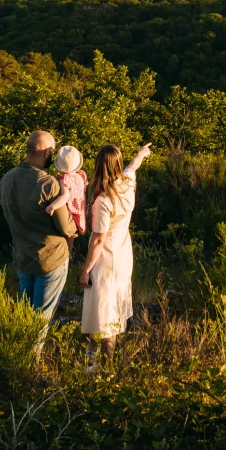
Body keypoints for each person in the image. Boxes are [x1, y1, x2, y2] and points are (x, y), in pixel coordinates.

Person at [0, 130, 78, 334]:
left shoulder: (6, 179)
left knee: (24, 317)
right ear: (47, 152)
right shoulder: (48, 183)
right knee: (40, 322)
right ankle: (30, 364)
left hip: (23, 257)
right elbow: (66, 227)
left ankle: (19, 358)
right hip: (50, 259)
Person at [79, 142, 152, 367]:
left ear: (98, 166)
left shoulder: (103, 201)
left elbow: (99, 240)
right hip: (123, 255)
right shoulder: (127, 184)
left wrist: (85, 271)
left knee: (102, 313)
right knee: (110, 309)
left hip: (105, 259)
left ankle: (99, 365)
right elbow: (134, 166)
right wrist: (142, 152)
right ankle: (99, 364)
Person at [46, 145, 88, 234]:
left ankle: (68, 247)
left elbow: (65, 196)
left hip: (72, 209)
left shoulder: (65, 179)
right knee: (74, 233)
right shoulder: (80, 176)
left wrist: (52, 207)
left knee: (70, 233)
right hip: (81, 208)